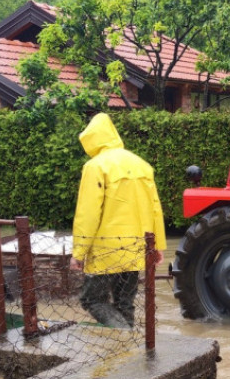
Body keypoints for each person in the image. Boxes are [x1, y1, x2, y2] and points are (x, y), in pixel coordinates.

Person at [70, 113, 166, 328]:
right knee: (125, 302)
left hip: (106, 250)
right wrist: (157, 246)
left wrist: (79, 252)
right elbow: (155, 209)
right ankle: (130, 351)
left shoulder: (95, 166)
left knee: (91, 299)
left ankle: (125, 335)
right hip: (136, 248)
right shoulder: (142, 165)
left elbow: (88, 213)